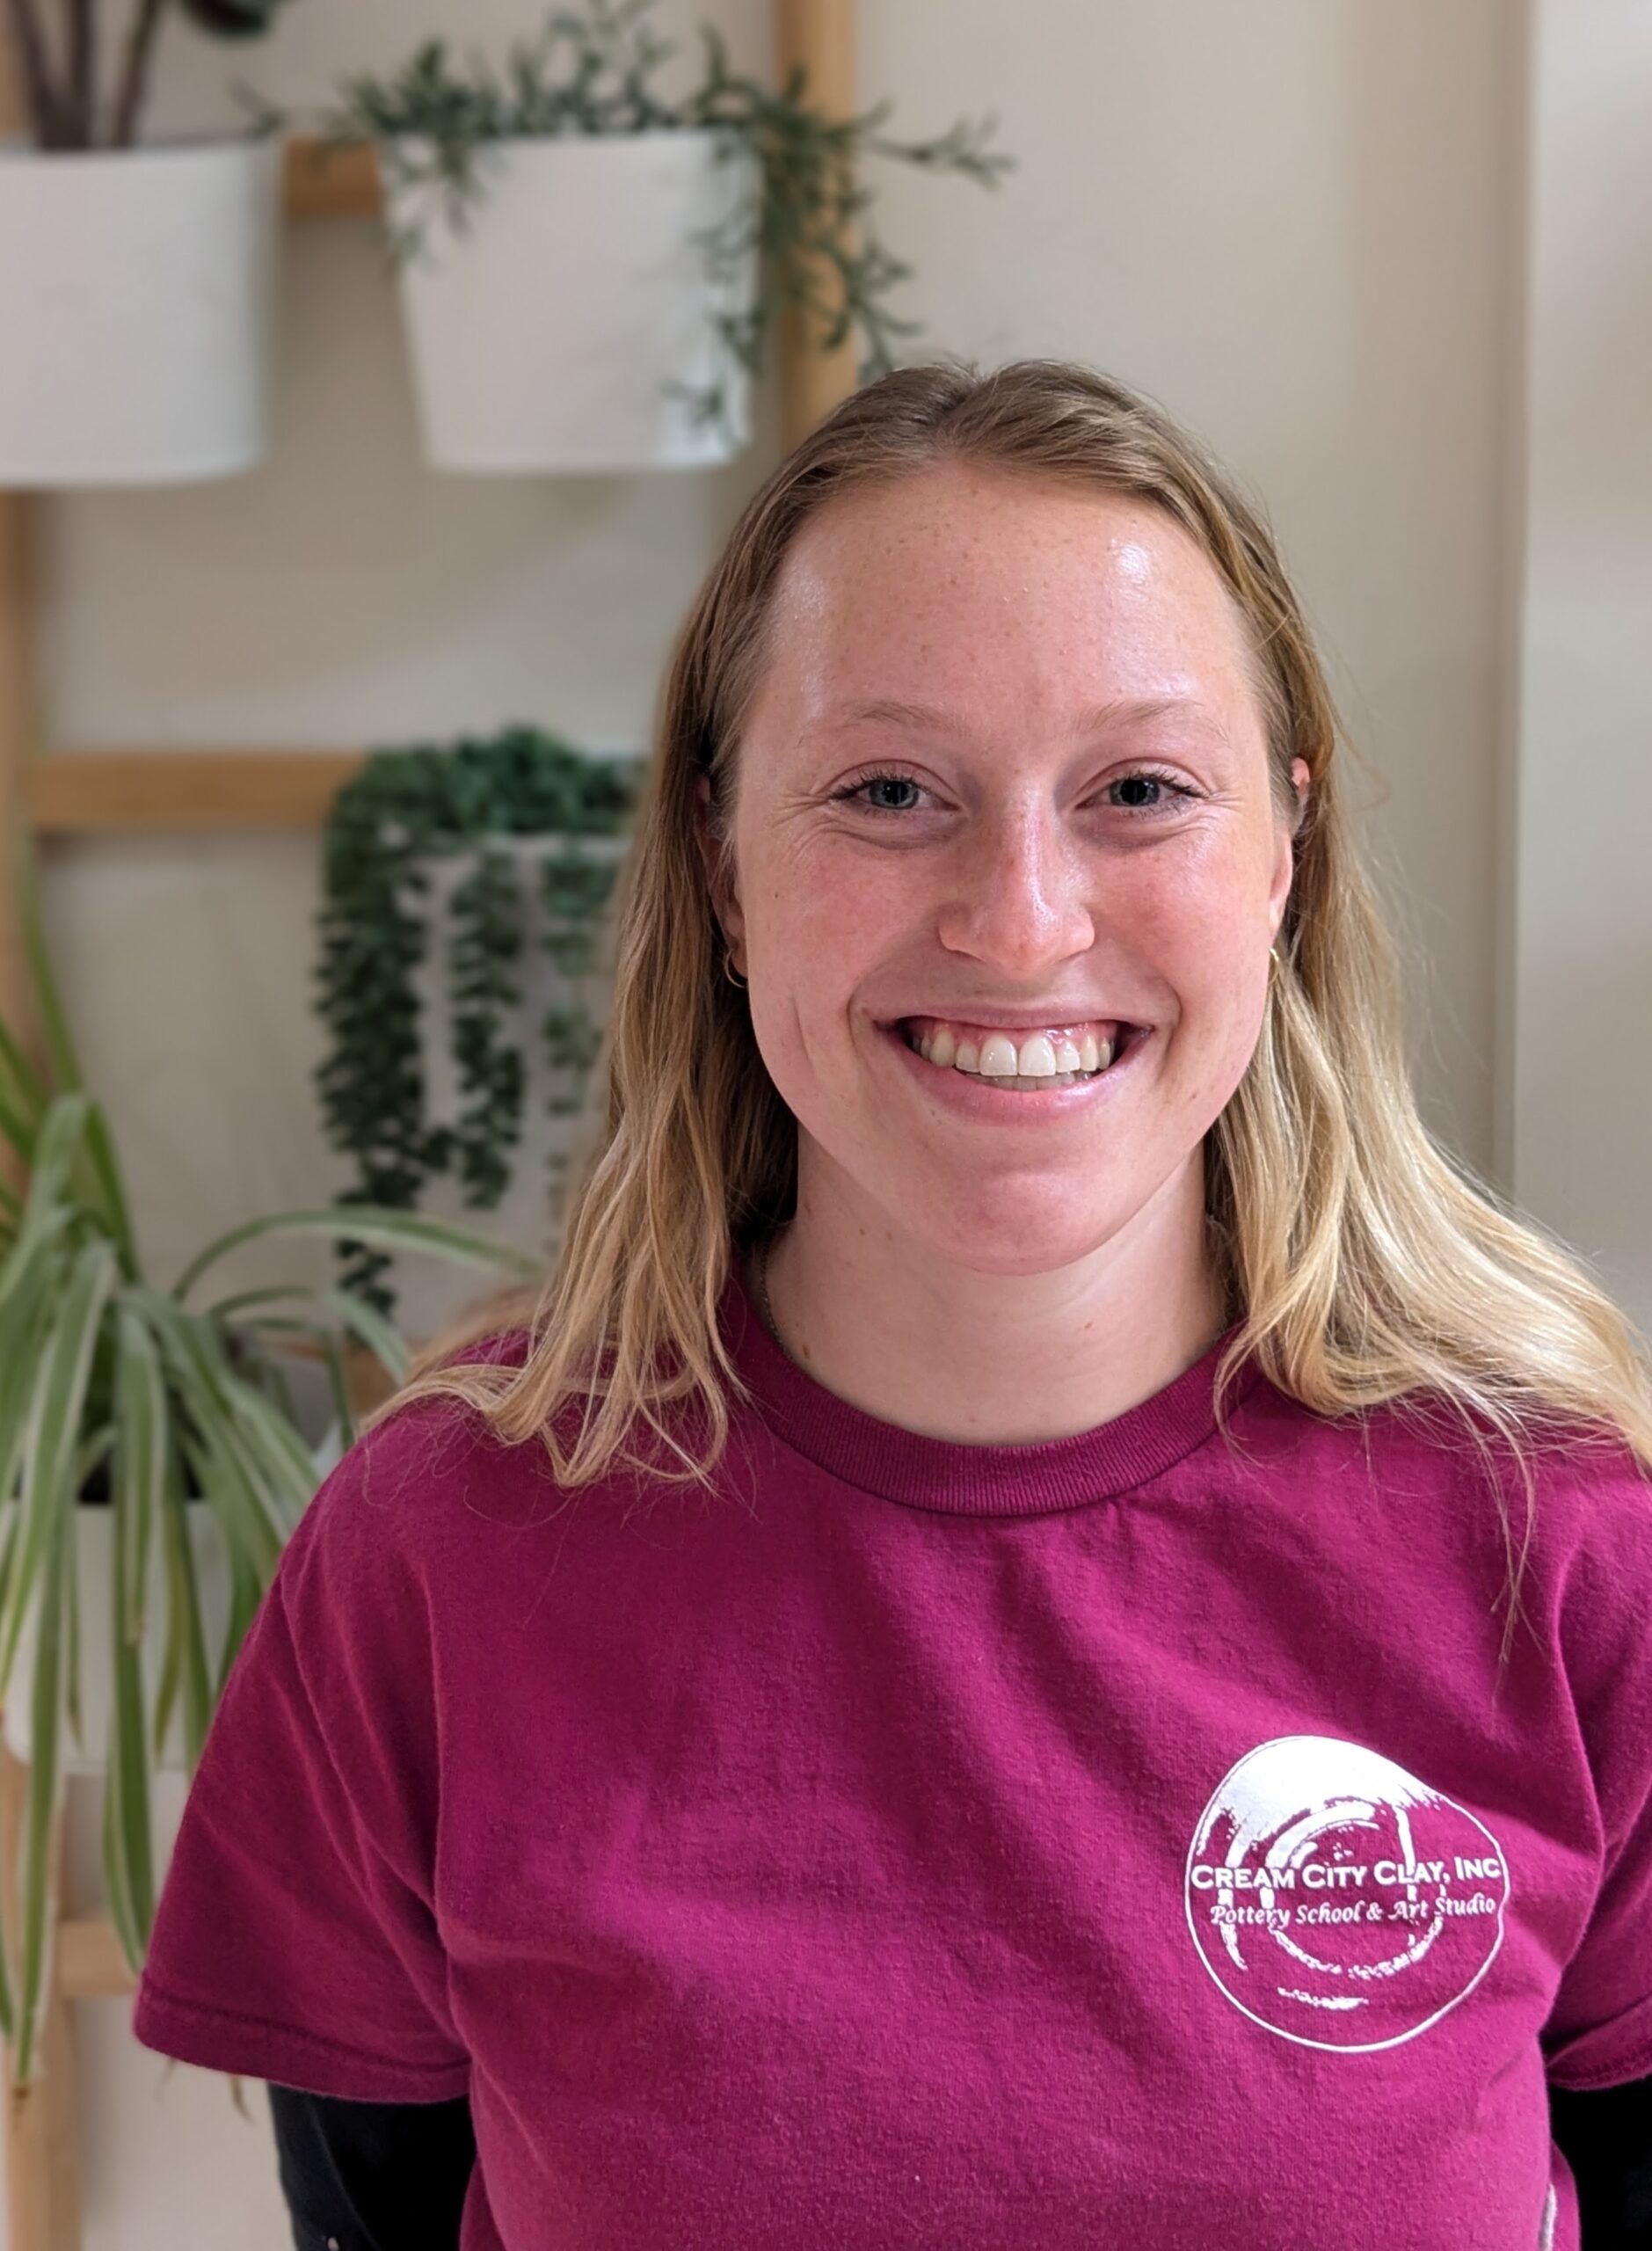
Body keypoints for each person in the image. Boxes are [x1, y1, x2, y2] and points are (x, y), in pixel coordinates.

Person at [132, 360, 1652, 2250]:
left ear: (1285, 850)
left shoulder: (1566, 1547)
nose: (1018, 918)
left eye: (1139, 789)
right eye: (885, 789)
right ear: (723, 861)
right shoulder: (439, 1549)